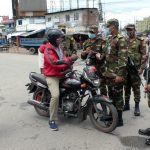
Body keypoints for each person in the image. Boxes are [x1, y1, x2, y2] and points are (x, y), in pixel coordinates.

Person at [43, 28, 78, 131]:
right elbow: (54, 63)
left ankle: (71, 107)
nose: (61, 40)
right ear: (53, 39)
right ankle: (52, 120)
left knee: (75, 85)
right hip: (52, 76)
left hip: (62, 74)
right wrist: (69, 59)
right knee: (55, 95)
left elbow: (64, 61)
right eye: (59, 38)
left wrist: (71, 61)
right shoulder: (48, 49)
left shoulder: (60, 48)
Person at [103, 19, 128, 127]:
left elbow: (123, 59)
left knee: (118, 96)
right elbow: (107, 54)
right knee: (111, 95)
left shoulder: (121, 39)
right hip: (109, 73)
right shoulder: (110, 39)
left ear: (114, 26)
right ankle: (113, 116)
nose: (107, 28)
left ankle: (119, 119)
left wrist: (120, 74)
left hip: (117, 74)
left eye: (109, 26)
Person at [123, 24, 147, 116]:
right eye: (128, 30)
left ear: (134, 30)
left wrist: (141, 68)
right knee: (126, 87)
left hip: (135, 69)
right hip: (126, 68)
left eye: (131, 30)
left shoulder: (140, 41)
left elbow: (144, 56)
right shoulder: (124, 41)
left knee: (136, 88)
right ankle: (126, 104)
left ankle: (137, 106)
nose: (129, 31)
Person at [81, 25, 107, 96]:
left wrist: (96, 54)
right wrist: (84, 53)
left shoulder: (102, 42)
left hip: (100, 67)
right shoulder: (86, 43)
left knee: (102, 86)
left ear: (96, 33)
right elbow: (83, 57)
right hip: (90, 68)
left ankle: (104, 104)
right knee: (91, 86)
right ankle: (93, 104)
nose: (91, 33)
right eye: (90, 32)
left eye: (92, 32)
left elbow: (105, 54)